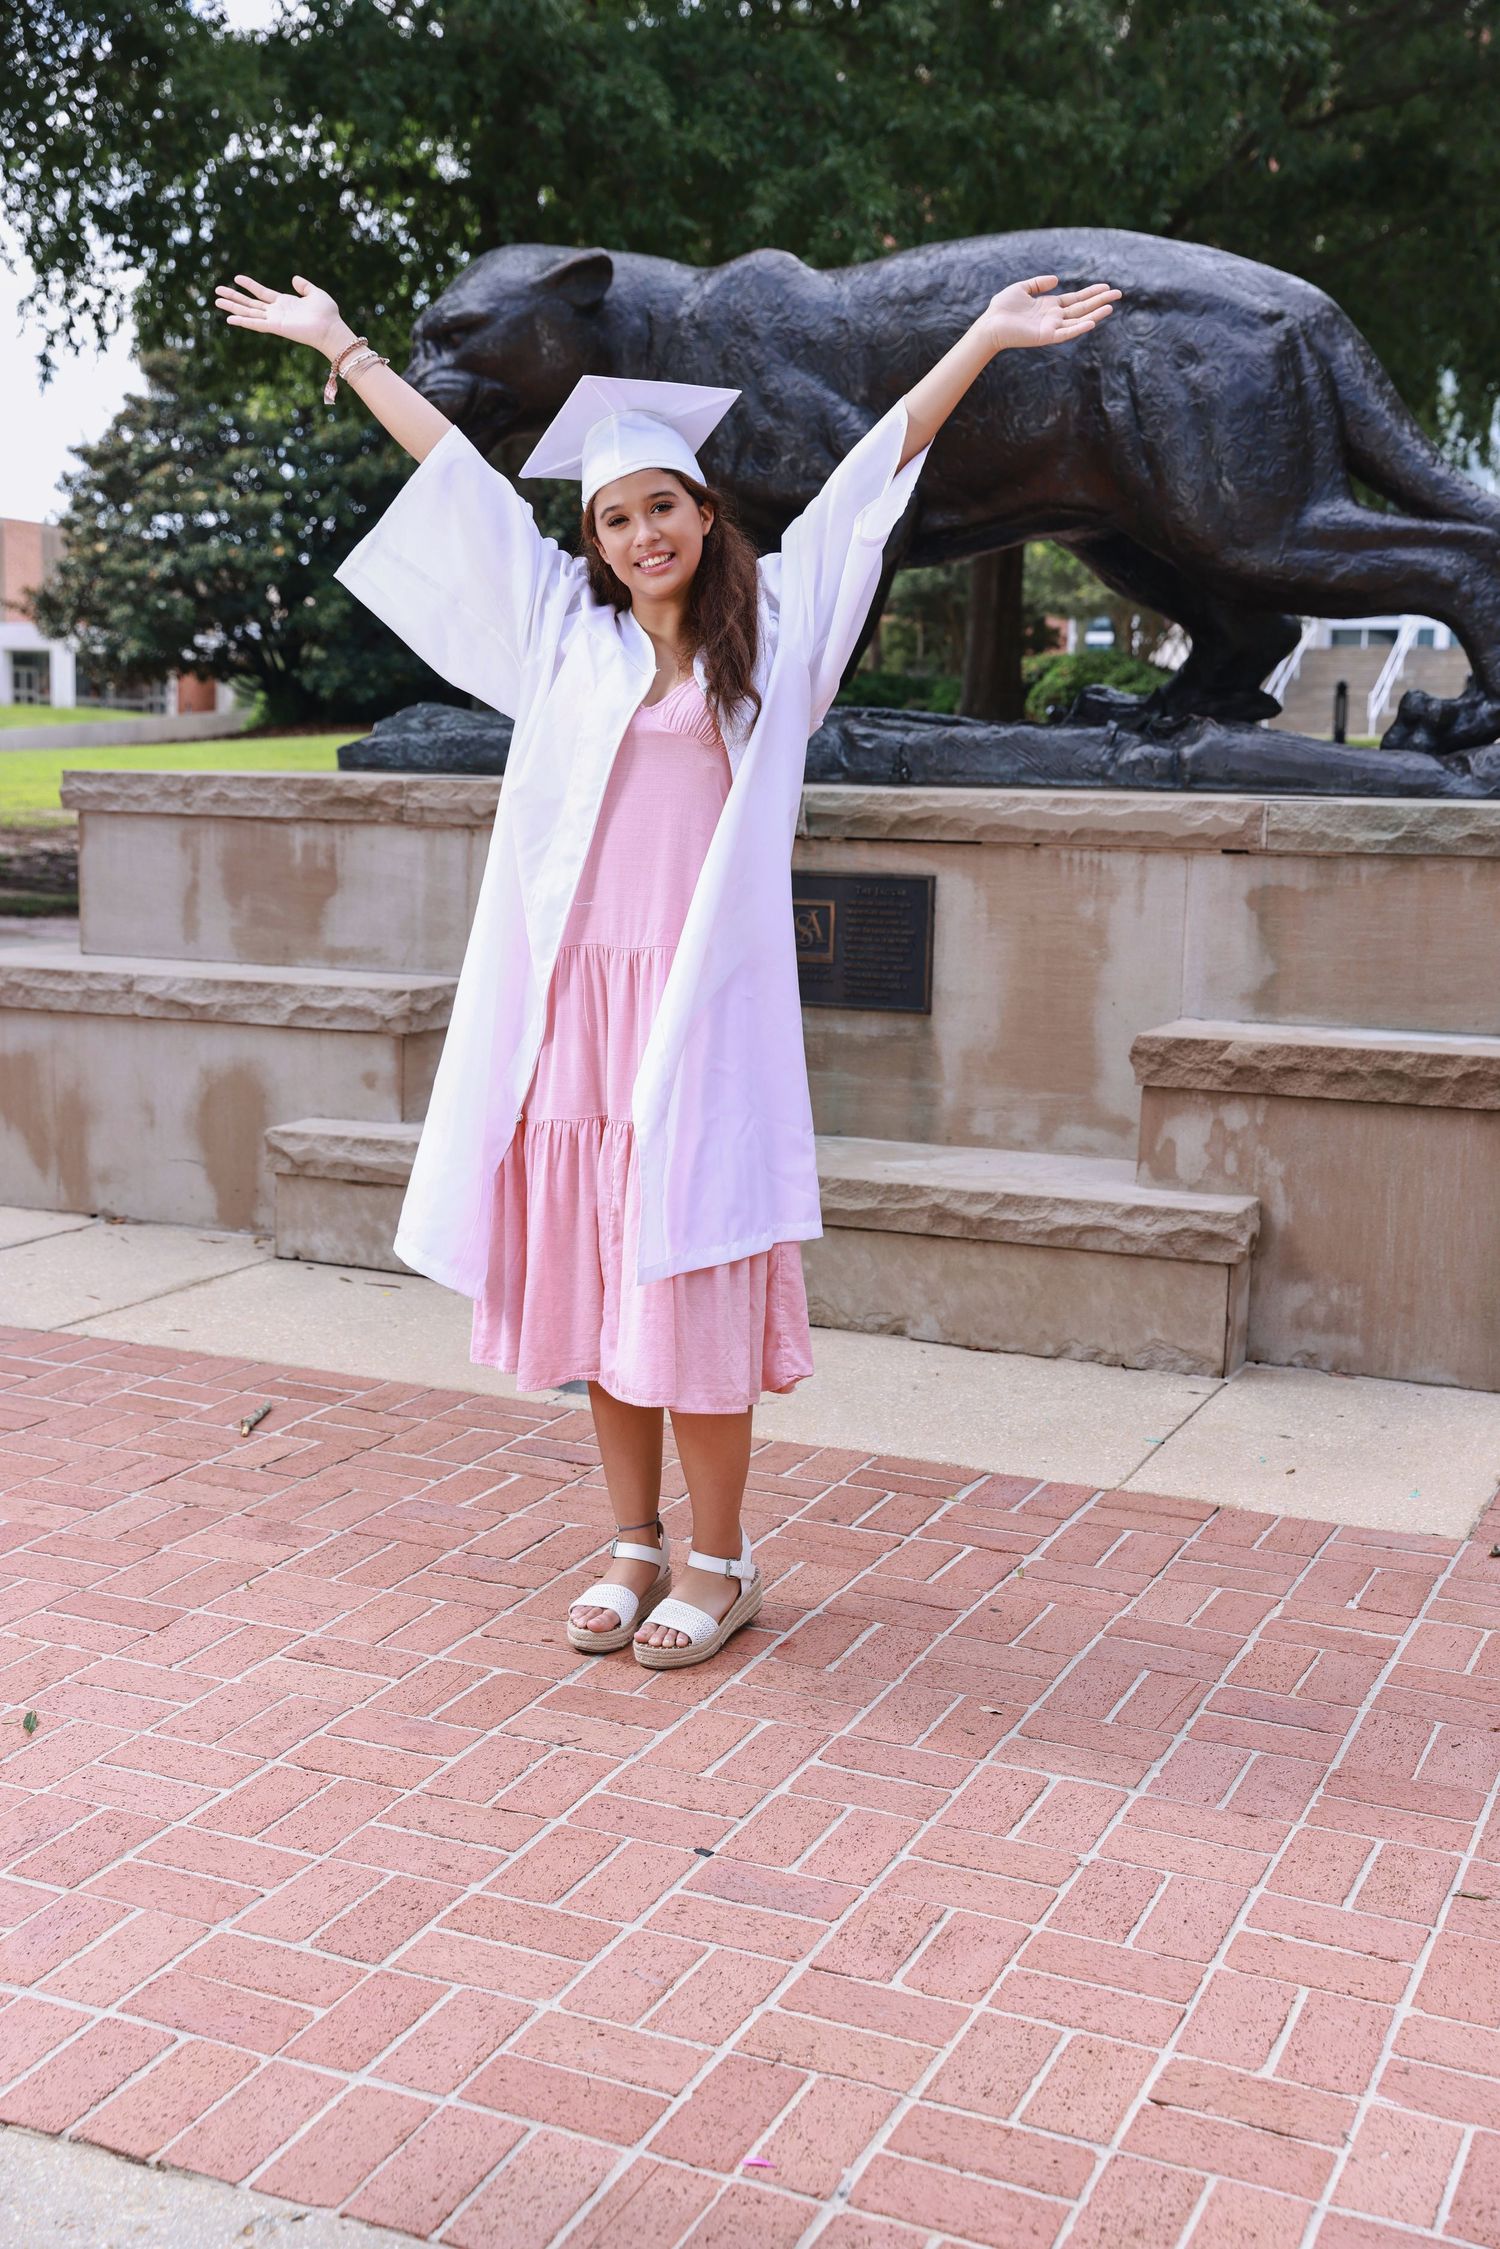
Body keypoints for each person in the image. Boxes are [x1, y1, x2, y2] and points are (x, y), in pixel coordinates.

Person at [214, 259, 1120, 1668]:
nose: (643, 533)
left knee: (686, 1284)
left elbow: (881, 470)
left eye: (665, 508)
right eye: (618, 516)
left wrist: (984, 342)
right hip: (574, 1005)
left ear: (707, 515)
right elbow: (454, 474)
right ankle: (630, 1541)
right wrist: (344, 350)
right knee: (599, 1285)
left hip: (694, 1010)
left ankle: (721, 1557)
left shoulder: (772, 637)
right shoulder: (559, 637)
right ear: (595, 535)